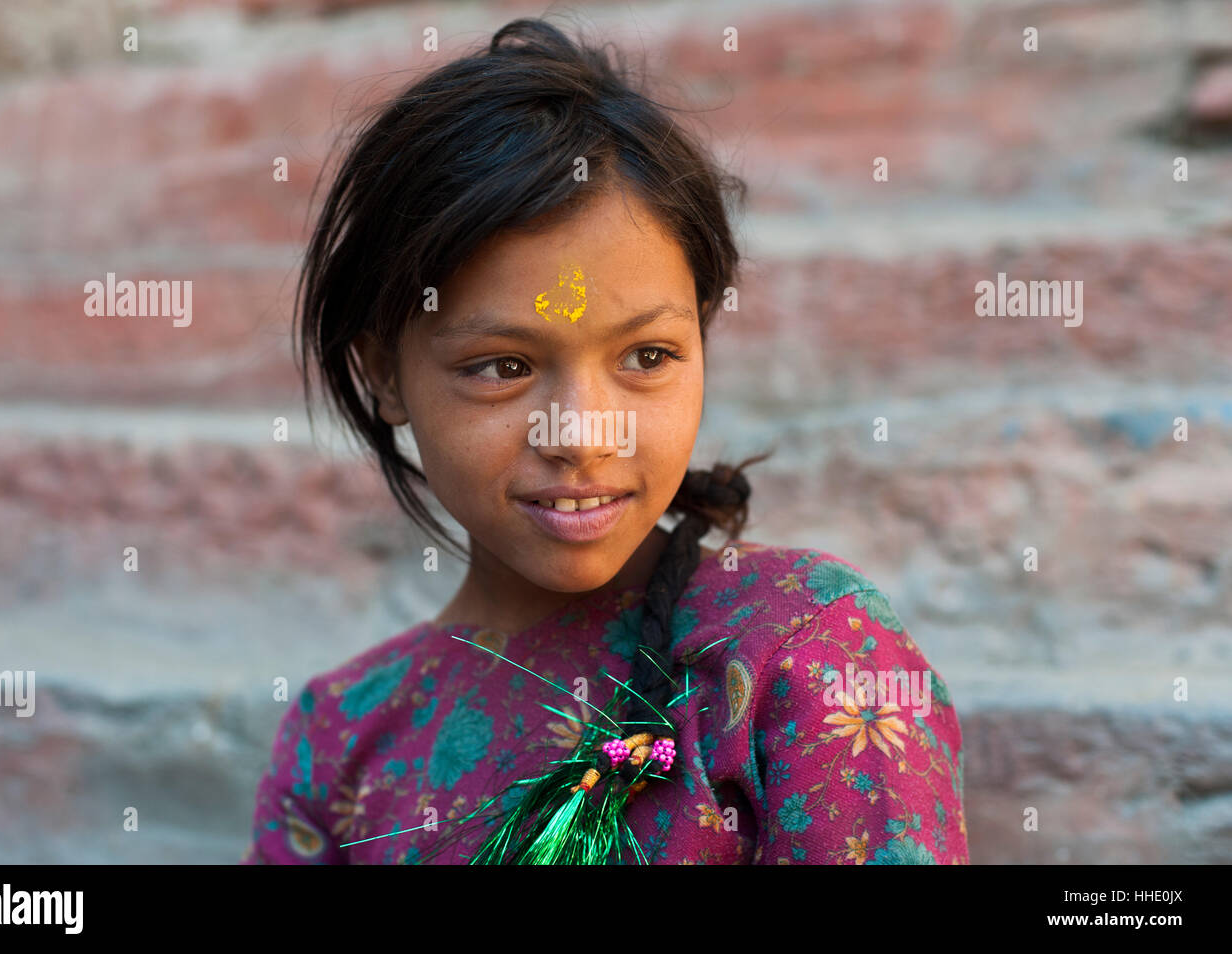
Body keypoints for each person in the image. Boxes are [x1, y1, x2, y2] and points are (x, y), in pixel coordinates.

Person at [241, 16, 968, 865]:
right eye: (502, 365)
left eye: (648, 356)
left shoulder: (807, 652)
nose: (582, 434)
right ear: (386, 376)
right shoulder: (339, 739)